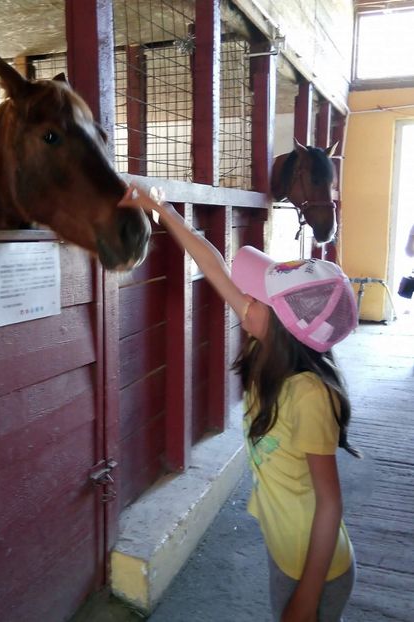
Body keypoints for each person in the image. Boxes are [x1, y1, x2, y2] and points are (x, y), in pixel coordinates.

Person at [118, 185, 360, 622]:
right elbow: (211, 264)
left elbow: (330, 504)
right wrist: (163, 211)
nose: (242, 299)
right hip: (286, 553)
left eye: (256, 298)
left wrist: (307, 595)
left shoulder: (309, 395)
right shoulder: (266, 348)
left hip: (316, 568)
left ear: (286, 325)